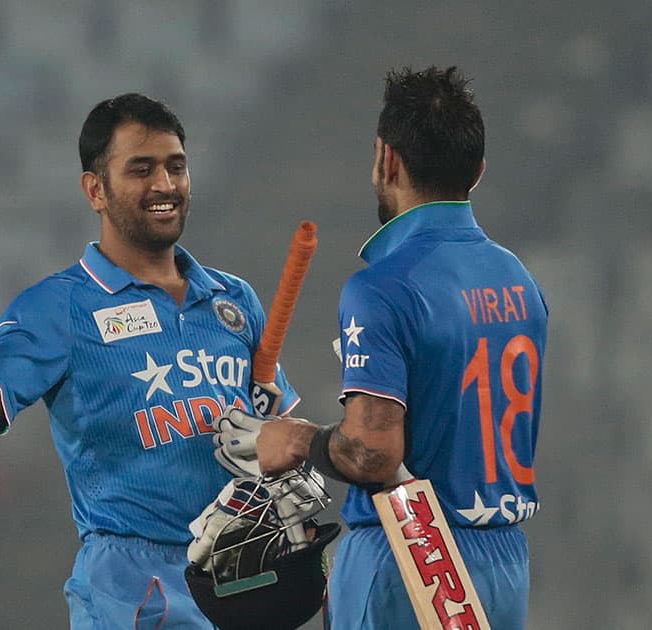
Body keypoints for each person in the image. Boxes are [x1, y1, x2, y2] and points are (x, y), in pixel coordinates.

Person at [0, 93, 300, 629]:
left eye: (176, 166)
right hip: (134, 592)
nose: (165, 185)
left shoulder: (234, 300)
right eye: (140, 169)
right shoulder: (60, 306)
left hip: (241, 580)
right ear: (95, 189)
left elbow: (277, 429)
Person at [224, 66, 548, 628]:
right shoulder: (520, 280)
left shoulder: (383, 287)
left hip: (412, 558)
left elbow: (375, 454)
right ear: (478, 171)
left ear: (386, 160)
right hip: (506, 567)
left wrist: (294, 439)